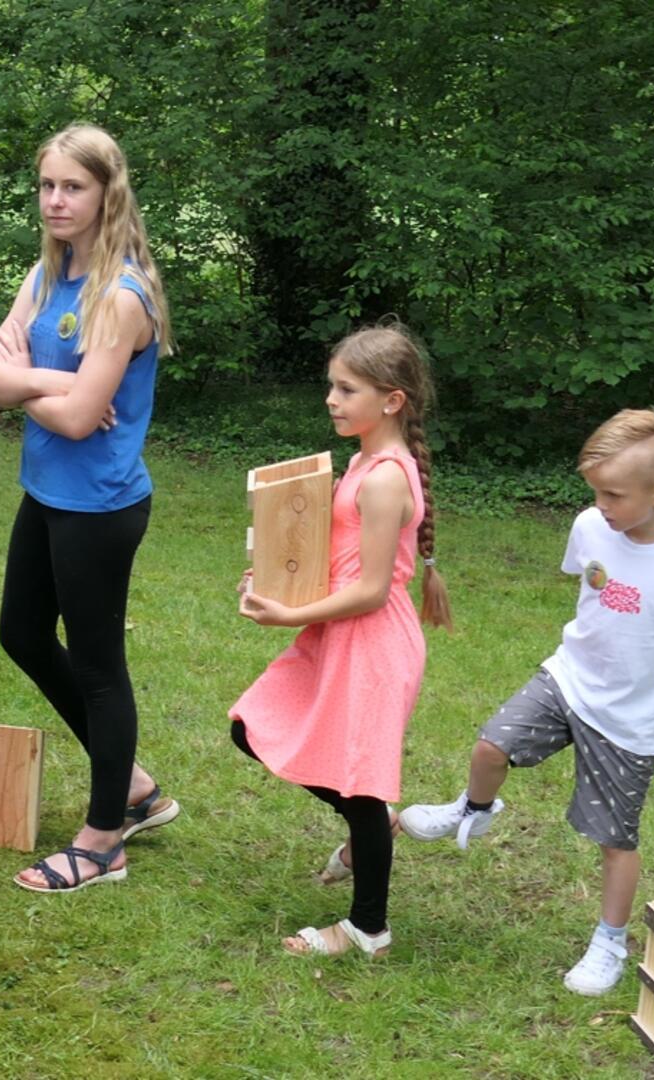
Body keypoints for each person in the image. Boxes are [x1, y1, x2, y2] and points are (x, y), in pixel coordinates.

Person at [400, 408, 654, 994]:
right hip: (568, 678)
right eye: (596, 492)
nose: (601, 505)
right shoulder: (591, 527)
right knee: (491, 746)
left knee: (614, 838)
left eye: (613, 495)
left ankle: (608, 941)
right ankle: (473, 809)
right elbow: (591, 591)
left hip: (629, 720)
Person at [0, 124, 180, 893]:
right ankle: (130, 785)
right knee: (20, 633)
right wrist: (60, 387)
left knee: (98, 668)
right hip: (47, 489)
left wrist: (31, 383)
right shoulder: (45, 273)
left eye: (73, 187)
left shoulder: (123, 296)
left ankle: (103, 842)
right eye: (48, 185)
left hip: (99, 506)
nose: (56, 200)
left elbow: (50, 402)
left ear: (106, 194)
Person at [228, 325, 453, 959]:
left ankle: (368, 930)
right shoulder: (358, 463)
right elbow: (338, 561)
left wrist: (282, 619)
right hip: (337, 635)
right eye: (332, 384)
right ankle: (372, 824)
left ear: (392, 400)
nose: (331, 398)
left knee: (358, 784)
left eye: (347, 388)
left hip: (372, 644)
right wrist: (277, 583)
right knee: (254, 727)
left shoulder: (384, 478)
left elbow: (374, 590)